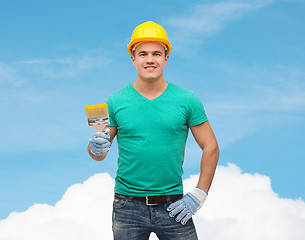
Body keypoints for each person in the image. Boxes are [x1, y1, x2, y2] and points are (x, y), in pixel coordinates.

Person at [87, 21, 219, 240]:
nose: (150, 60)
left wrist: (200, 194)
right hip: (127, 207)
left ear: (166, 58)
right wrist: (94, 147)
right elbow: (99, 155)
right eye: (143, 54)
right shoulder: (115, 101)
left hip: (175, 206)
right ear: (133, 59)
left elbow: (211, 146)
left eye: (157, 53)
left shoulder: (187, 100)